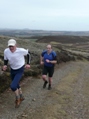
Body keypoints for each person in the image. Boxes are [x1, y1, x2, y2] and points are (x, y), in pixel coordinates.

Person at [2, 39, 31, 108]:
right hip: (12, 69)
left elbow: (28, 54)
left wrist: (28, 63)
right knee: (16, 84)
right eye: (10, 46)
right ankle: (21, 96)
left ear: (16, 45)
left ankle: (18, 99)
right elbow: (5, 59)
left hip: (20, 69)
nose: (11, 48)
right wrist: (5, 65)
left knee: (13, 86)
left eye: (12, 46)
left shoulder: (21, 50)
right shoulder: (6, 51)